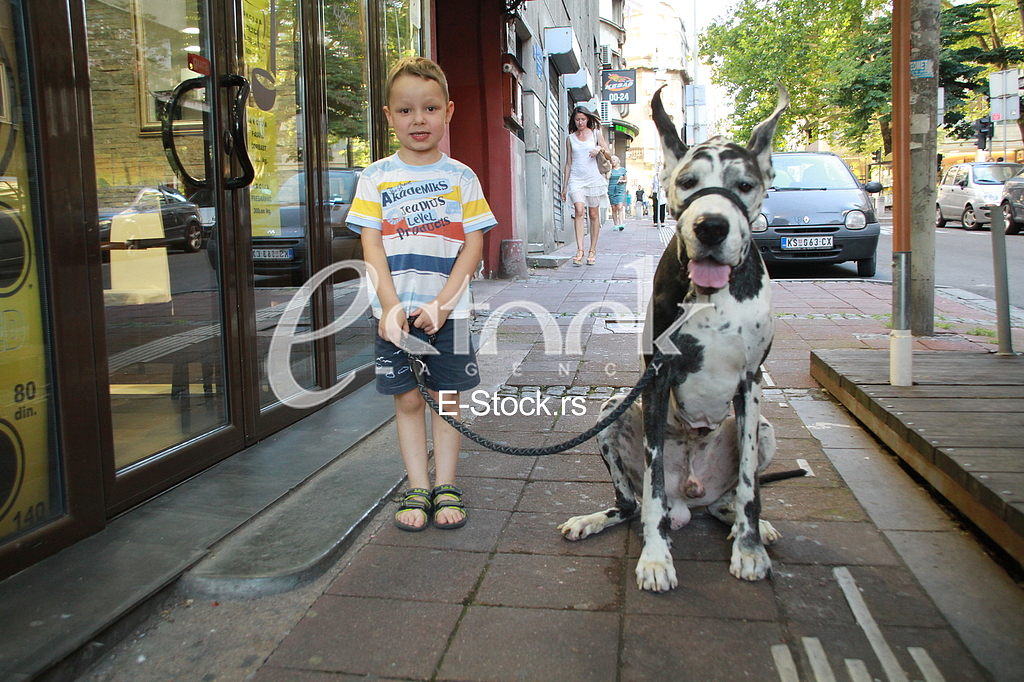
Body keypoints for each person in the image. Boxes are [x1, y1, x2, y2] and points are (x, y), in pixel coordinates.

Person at [347, 56, 496, 532]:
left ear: (448, 112)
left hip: (449, 313)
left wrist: (445, 302)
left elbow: (474, 242)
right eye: (406, 110)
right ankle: (417, 485)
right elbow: (370, 242)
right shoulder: (374, 178)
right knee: (409, 399)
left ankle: (446, 483)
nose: (419, 120)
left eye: (430, 109)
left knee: (447, 399)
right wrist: (389, 306)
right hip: (395, 316)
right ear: (388, 116)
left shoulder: (462, 177)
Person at [561, 105, 611, 265]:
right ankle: (580, 249)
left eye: (583, 119)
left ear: (588, 119)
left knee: (594, 214)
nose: (580, 122)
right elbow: (568, 162)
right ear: (573, 121)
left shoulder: (596, 134)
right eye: (577, 119)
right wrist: (564, 186)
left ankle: (592, 250)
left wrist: (599, 150)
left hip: (593, 178)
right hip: (576, 178)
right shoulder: (570, 138)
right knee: (579, 210)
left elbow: (609, 154)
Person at [607, 155, 627, 230]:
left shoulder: (622, 170)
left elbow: (626, 179)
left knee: (620, 207)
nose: (613, 162)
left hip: (620, 189)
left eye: (614, 160)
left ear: (618, 161)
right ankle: (615, 224)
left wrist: (622, 181)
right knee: (613, 207)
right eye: (611, 161)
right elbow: (607, 177)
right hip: (611, 189)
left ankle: (621, 223)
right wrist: (609, 168)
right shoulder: (610, 170)